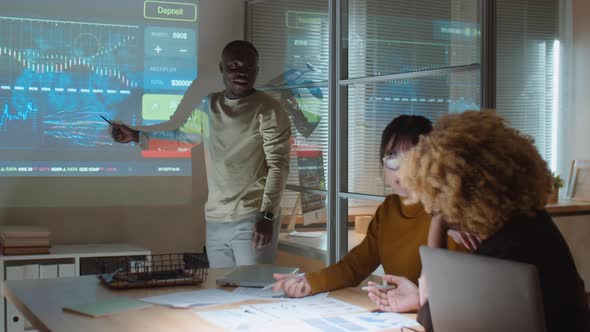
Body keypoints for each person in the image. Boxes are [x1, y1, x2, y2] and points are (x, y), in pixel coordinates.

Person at [387, 110, 590, 331]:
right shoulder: (532, 223)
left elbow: (434, 320)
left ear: (461, 192)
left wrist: (438, 224)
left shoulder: (504, 252)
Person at [110, 40, 292, 268]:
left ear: (256, 70)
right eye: (234, 66)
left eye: (248, 67)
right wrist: (136, 136)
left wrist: (267, 216)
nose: (241, 72)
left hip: (252, 219)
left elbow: (279, 166)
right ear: (222, 68)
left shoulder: (269, 110)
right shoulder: (210, 104)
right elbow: (181, 139)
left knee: (252, 293)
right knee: (220, 293)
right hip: (215, 220)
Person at [272, 115, 467, 312]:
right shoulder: (389, 209)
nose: (401, 171)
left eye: (411, 158)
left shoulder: (451, 214)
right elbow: (355, 266)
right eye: (392, 158)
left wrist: (422, 301)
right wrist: (309, 282)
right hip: (399, 318)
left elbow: (468, 292)